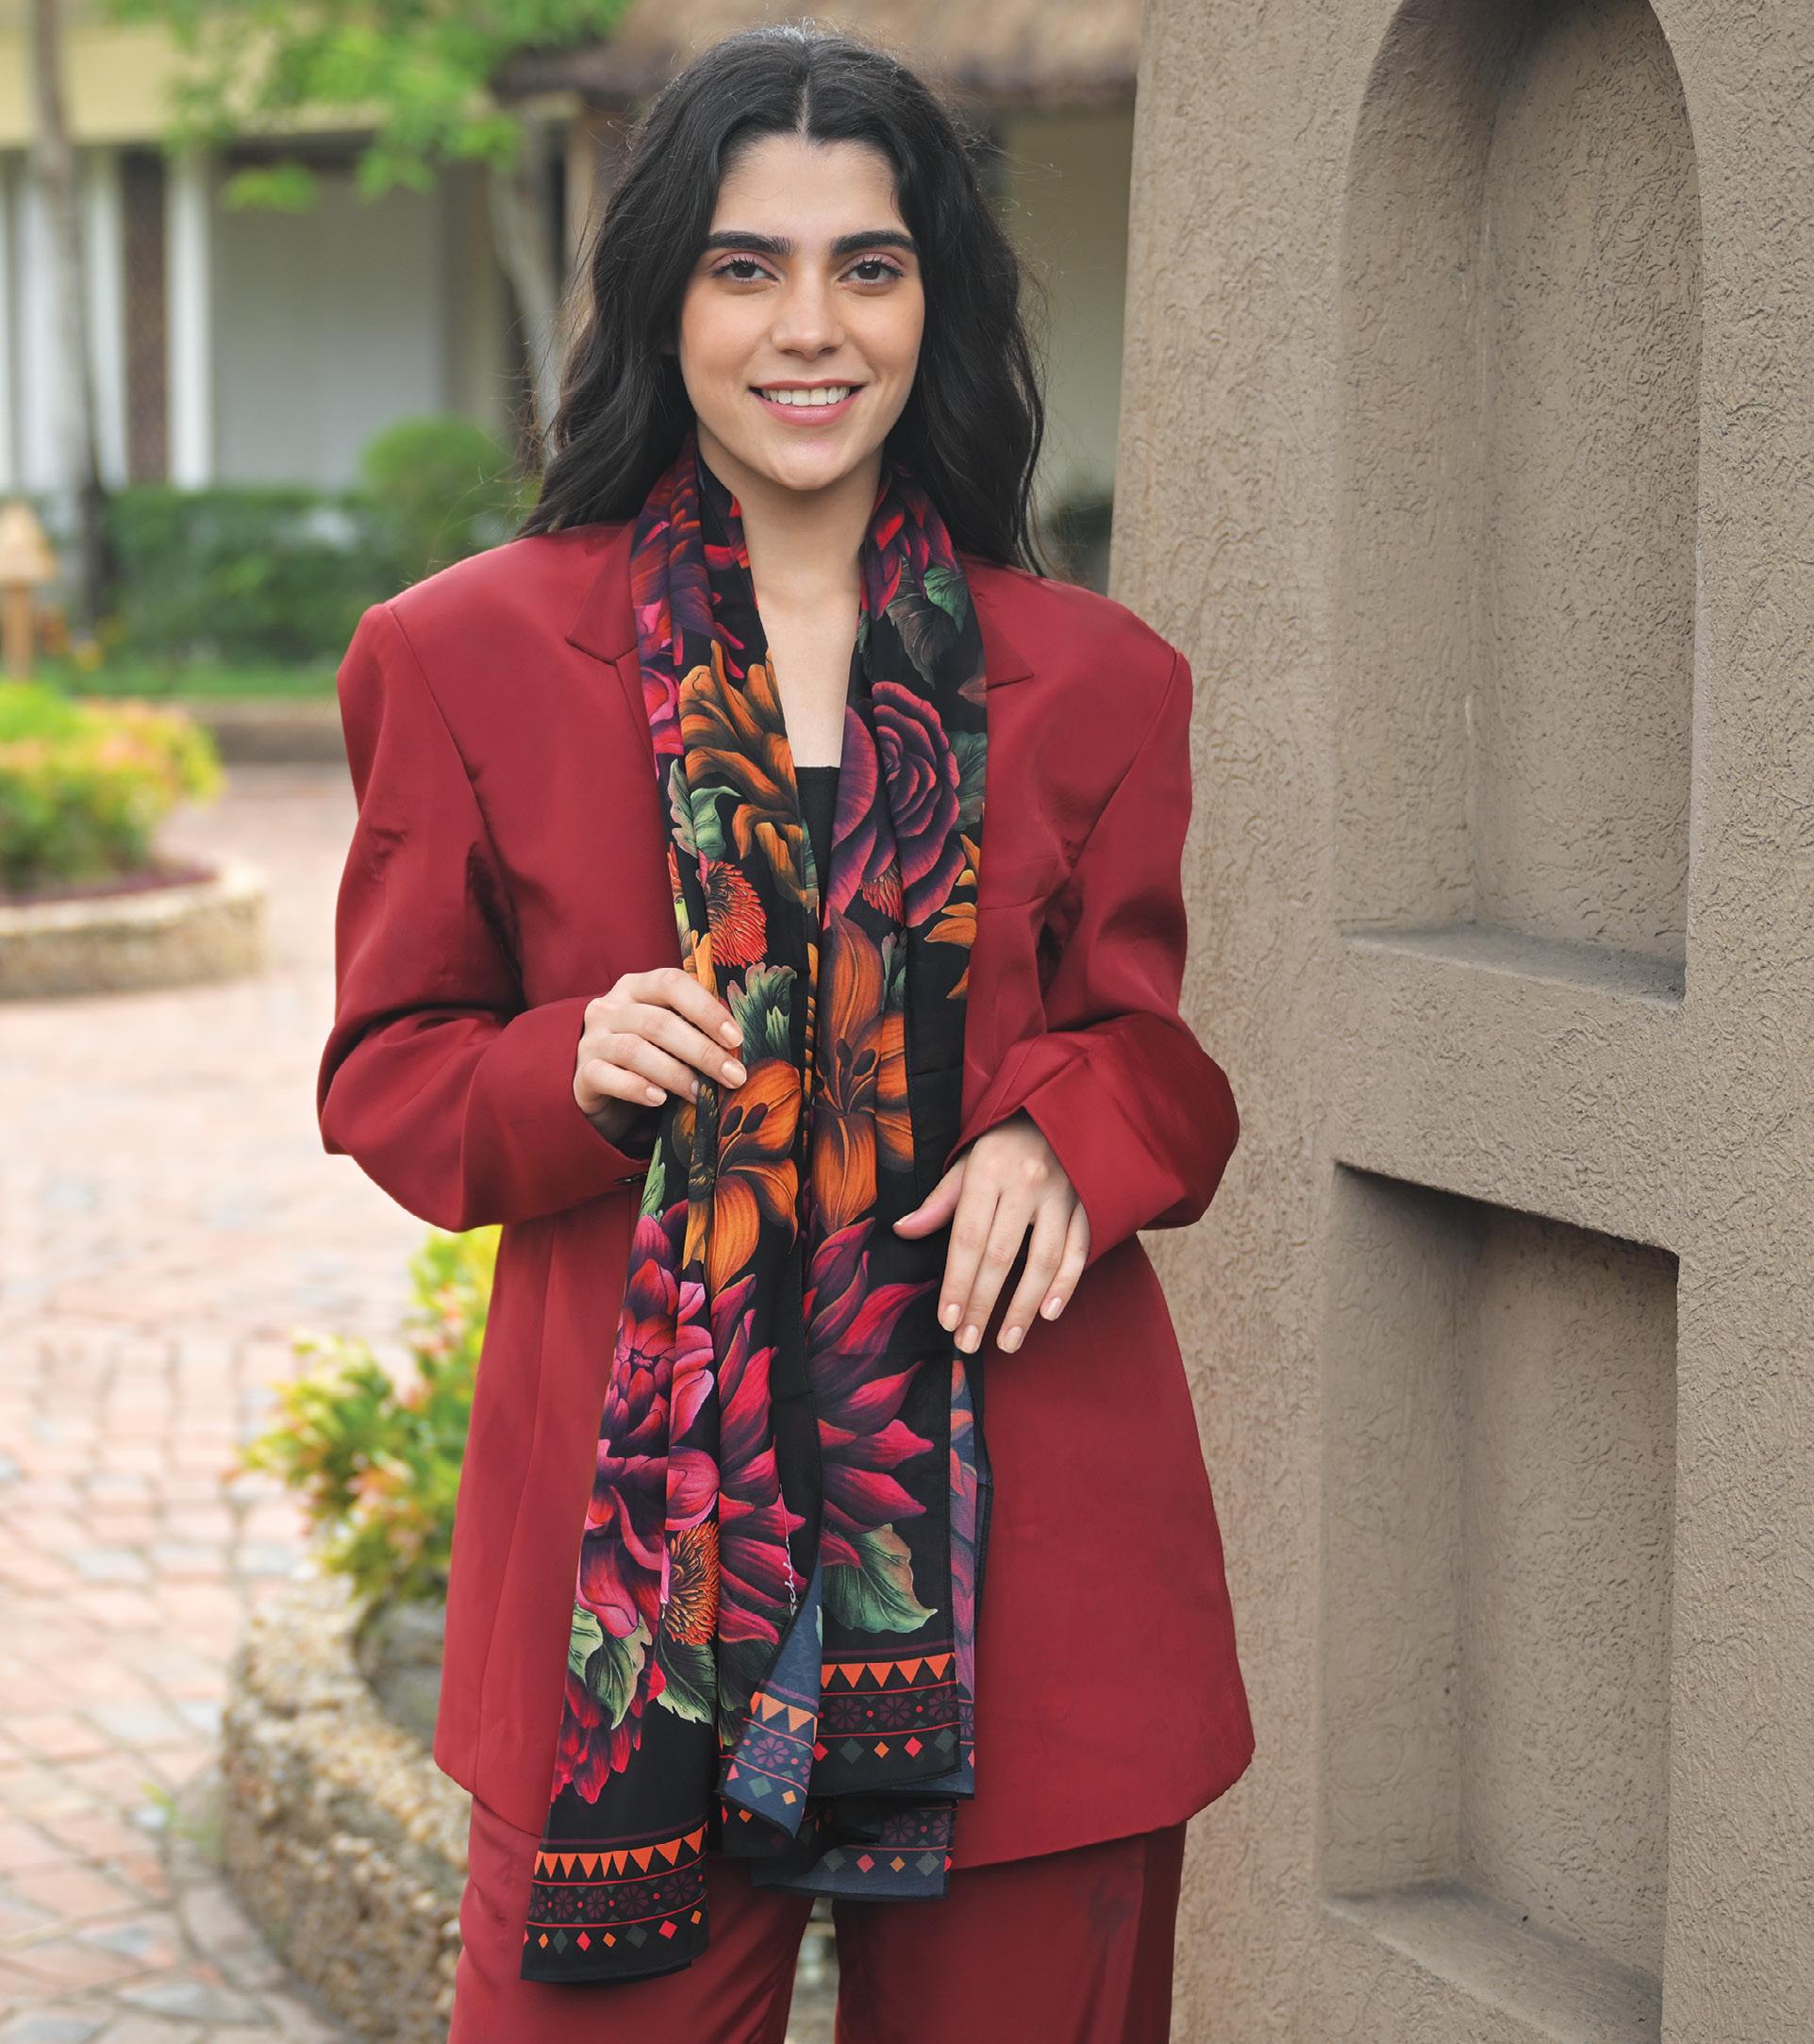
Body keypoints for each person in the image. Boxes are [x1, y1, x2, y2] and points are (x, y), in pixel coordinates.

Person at [314, 23, 1251, 2043]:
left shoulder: (1100, 680)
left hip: (1033, 1585)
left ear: (935, 303)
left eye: (867, 267)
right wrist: (560, 1063)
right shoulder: (462, 656)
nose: (808, 327)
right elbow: (387, 1073)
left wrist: (1064, 1135)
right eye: (747, 266)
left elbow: (1159, 1058)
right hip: (633, 1610)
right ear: (665, 297)